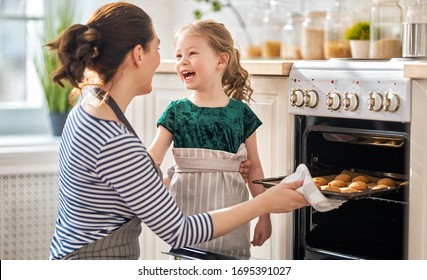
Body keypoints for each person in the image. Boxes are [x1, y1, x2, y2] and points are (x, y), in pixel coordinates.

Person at [46, 2, 309, 260]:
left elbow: (114, 189)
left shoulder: (86, 107)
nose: (171, 60)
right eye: (159, 48)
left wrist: (163, 180)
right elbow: (180, 231)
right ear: (139, 54)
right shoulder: (114, 139)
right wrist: (265, 203)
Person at [148, 19, 268, 259]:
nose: (183, 60)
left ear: (221, 60)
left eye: (192, 53)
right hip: (186, 224)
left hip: (233, 224)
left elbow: (254, 168)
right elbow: (152, 160)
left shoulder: (241, 114)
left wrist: (264, 216)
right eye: (179, 54)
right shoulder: (176, 111)